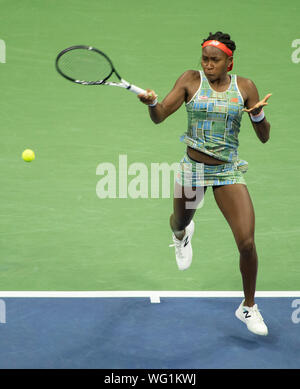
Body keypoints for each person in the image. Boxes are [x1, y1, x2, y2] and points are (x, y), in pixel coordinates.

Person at [138, 31, 271, 336]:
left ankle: (248, 306)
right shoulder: (190, 80)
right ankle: (181, 234)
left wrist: (258, 114)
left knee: (247, 242)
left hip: (228, 172)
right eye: (205, 59)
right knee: (179, 221)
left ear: (229, 62)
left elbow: (264, 136)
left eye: (215, 60)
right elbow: (159, 116)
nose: (209, 65)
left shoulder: (246, 87)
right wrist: (152, 101)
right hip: (193, 170)